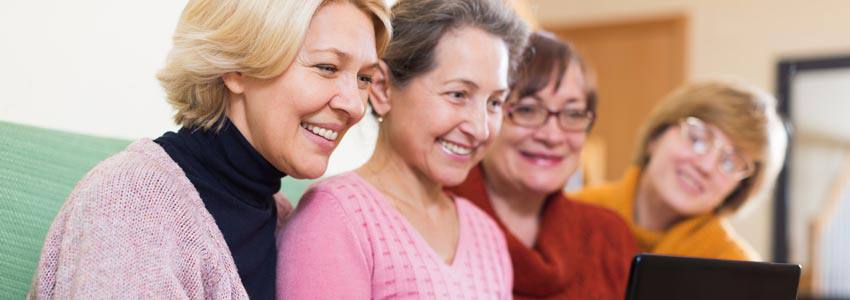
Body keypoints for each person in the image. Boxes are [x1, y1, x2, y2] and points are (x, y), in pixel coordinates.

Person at [30, 0, 390, 298]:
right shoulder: (134, 203)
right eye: (327, 67)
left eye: (363, 78)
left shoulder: (280, 217)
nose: (356, 106)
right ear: (237, 68)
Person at [276, 0, 529, 298]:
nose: (480, 128)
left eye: (495, 103)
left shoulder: (487, 235)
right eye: (458, 94)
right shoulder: (334, 218)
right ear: (382, 88)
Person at [448, 32, 638, 299]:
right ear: (488, 114)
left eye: (572, 114)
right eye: (527, 110)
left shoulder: (608, 237)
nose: (552, 136)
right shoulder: (435, 220)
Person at [572, 81, 787, 261]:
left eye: (731, 163)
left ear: (739, 190)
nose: (706, 166)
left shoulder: (738, 268)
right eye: (697, 139)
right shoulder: (570, 214)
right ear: (656, 137)